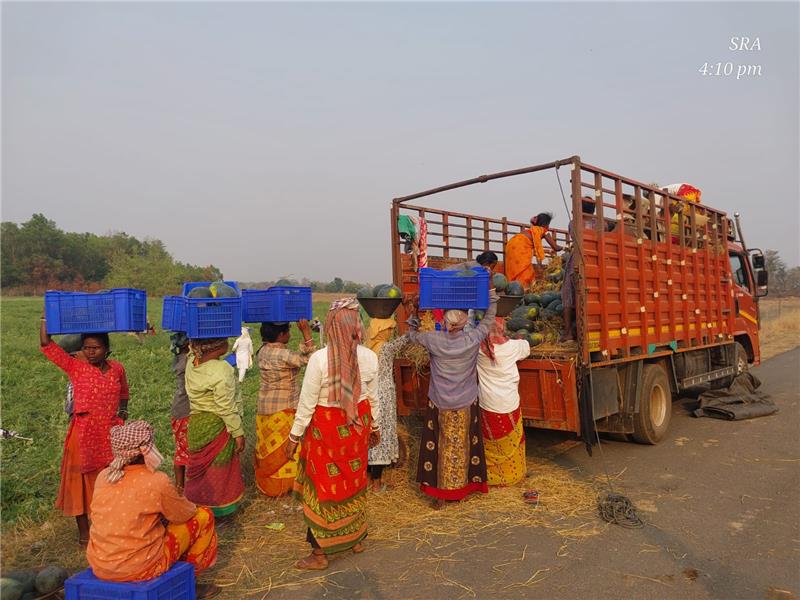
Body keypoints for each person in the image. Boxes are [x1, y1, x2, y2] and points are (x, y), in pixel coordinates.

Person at [287, 298, 380, 570]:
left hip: (327, 432)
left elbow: (307, 403)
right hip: (357, 428)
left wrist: (293, 437)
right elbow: (372, 398)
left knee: (322, 491)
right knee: (353, 483)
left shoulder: (320, 359)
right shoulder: (369, 357)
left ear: (331, 326)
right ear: (356, 326)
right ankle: (355, 540)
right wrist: (375, 427)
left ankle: (319, 554)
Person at [86, 420, 220, 598]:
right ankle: (190, 582)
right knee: (203, 516)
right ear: (144, 451)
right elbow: (185, 514)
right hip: (140, 568)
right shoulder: (156, 481)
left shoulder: (104, 477)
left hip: (100, 565)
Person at [39, 315, 129, 546]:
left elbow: (124, 393)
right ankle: (84, 534)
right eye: (86, 348)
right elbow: (47, 344)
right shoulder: (76, 367)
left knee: (110, 480)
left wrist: (122, 412)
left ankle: (107, 527)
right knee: (79, 483)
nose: (90, 352)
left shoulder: (117, 369)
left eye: (95, 348)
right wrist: (45, 317)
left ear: (106, 349)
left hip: (110, 434)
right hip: (83, 434)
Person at [404, 289, 499, 507]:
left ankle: (441, 495)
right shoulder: (472, 338)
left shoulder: (433, 340)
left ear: (446, 321)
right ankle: (460, 490)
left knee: (440, 445)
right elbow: (489, 319)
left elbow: (411, 334)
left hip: (440, 403)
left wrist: (414, 313)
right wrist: (491, 293)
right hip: (466, 402)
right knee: (464, 445)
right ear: (464, 322)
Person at [254, 320, 316, 497]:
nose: (289, 333)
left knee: (268, 447)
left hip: (265, 408)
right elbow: (313, 360)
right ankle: (288, 484)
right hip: (284, 410)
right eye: (288, 330)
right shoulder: (284, 354)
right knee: (288, 449)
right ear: (281, 335)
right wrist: (306, 334)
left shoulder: (262, 351)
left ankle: (271, 485)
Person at [184, 338, 245, 517]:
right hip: (217, 425)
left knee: (201, 470)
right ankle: (218, 508)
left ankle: (198, 504)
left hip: (197, 424)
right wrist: (238, 432)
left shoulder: (191, 363)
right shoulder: (222, 369)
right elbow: (226, 407)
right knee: (219, 468)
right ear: (219, 346)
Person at [477, 319, 530, 486]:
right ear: (502, 330)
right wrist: (519, 338)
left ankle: (492, 477)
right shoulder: (512, 346)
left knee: (490, 442)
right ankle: (513, 476)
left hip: (487, 402)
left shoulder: (478, 349)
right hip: (509, 401)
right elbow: (526, 346)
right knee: (512, 441)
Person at [367, 336, 405, 492]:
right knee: (380, 440)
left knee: (370, 437)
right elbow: (405, 340)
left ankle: (368, 480)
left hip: (369, 395)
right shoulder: (387, 347)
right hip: (384, 397)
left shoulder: (367, 347)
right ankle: (377, 484)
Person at [561, 198, 596, 342]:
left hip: (577, 260)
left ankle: (568, 333)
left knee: (568, 295)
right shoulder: (602, 224)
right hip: (595, 260)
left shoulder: (573, 223)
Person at [504, 214, 560, 287]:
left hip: (511, 245)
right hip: (519, 248)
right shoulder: (543, 231)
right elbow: (556, 247)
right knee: (525, 272)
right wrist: (567, 247)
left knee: (516, 269)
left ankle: (514, 288)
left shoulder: (531, 231)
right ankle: (522, 288)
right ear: (546, 224)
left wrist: (548, 251)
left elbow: (532, 248)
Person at [169, 332, 191, 493]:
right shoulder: (189, 361)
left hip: (179, 409)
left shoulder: (179, 358)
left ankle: (179, 487)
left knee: (180, 449)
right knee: (189, 451)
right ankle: (187, 489)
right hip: (186, 410)